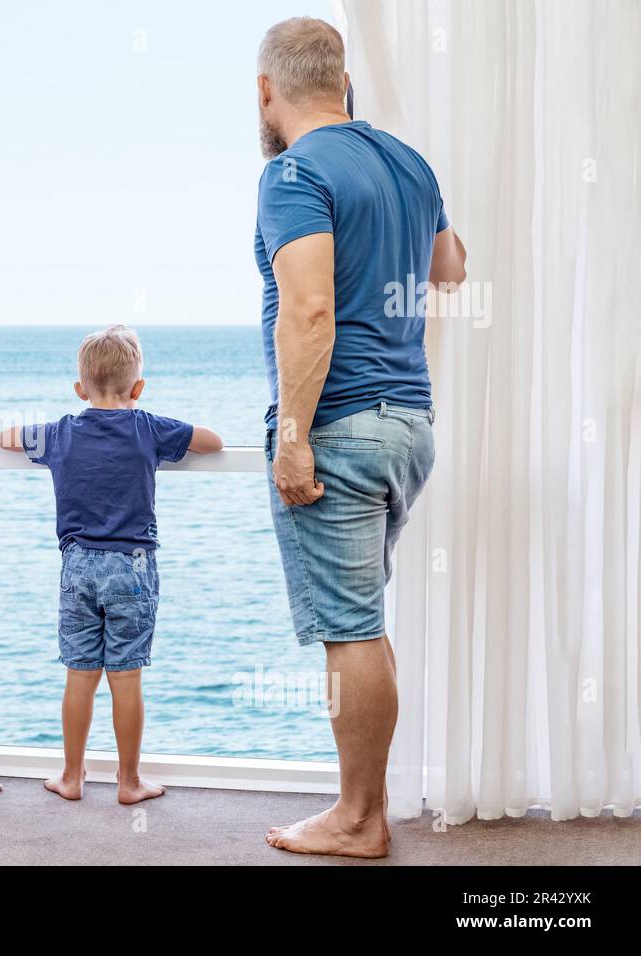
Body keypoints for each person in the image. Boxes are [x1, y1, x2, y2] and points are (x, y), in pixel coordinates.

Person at [254, 18, 466, 856]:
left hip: (341, 428)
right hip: (410, 425)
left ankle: (357, 818)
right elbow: (451, 268)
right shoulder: (410, 163)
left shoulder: (293, 171)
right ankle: (363, 808)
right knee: (363, 621)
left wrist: (293, 438)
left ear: (266, 92)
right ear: (344, 82)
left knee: (349, 628)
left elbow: (308, 311)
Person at [0, 325, 222, 804]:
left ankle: (72, 776)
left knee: (79, 674)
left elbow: (7, 436)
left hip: (77, 566)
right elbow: (213, 441)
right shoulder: (148, 427)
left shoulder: (60, 432)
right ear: (138, 388)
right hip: (133, 567)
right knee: (126, 677)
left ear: (80, 389)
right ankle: (128, 781)